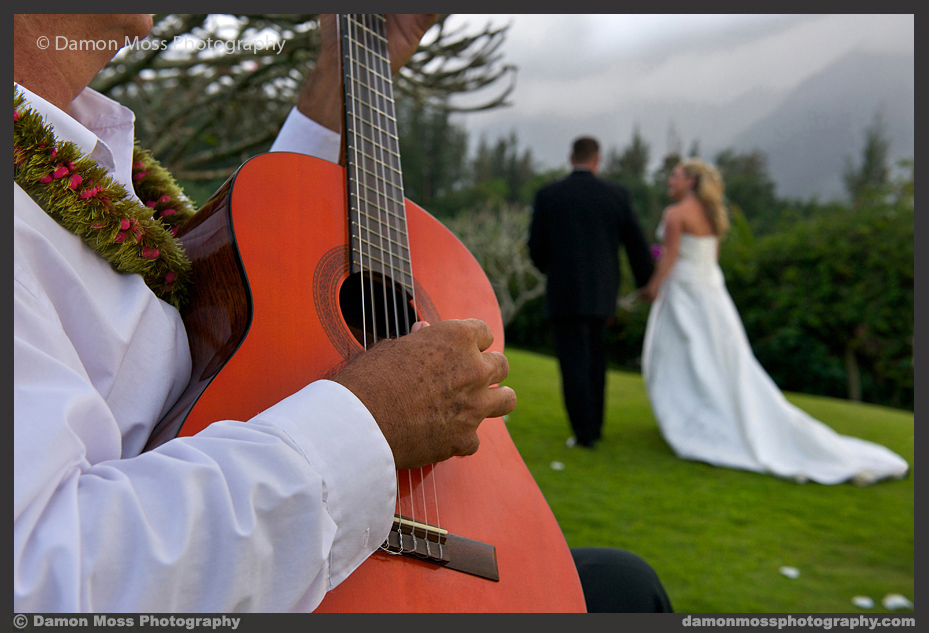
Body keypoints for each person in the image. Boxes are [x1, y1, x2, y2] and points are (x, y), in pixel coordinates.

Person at [14, 14, 672, 613]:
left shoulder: (82, 164)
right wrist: (371, 420)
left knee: (623, 584)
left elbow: (249, 271)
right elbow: (42, 583)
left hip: (281, 551)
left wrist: (348, 68)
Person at [639, 159, 909, 485]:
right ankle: (707, 414)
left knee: (683, 359)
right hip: (712, 294)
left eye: (675, 176)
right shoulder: (713, 215)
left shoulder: (675, 214)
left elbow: (669, 257)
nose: (670, 181)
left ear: (691, 182)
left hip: (684, 292)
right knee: (722, 363)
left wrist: (652, 288)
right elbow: (711, 260)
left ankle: (694, 419)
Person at [528, 136, 655, 449]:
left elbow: (536, 248)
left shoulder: (548, 195)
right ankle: (595, 426)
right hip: (602, 293)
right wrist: (646, 282)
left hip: (563, 292)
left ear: (571, 157)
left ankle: (583, 433)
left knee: (572, 361)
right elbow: (636, 244)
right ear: (597, 160)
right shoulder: (616, 195)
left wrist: (552, 271)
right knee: (596, 360)